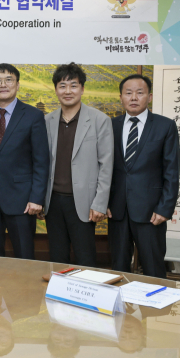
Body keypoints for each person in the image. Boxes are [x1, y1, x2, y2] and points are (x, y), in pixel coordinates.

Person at [107, 74, 180, 279]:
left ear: (149, 97)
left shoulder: (165, 126)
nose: (133, 98)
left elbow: (172, 170)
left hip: (151, 211)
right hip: (117, 210)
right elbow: (103, 167)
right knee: (118, 268)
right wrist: (104, 201)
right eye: (128, 93)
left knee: (153, 269)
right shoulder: (110, 125)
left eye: (140, 93)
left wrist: (165, 208)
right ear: (121, 97)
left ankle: (156, 302)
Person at [0, 63, 49, 259]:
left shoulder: (33, 115)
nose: (3, 84)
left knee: (24, 254)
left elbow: (41, 160)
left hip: (22, 200)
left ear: (17, 85)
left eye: (9, 80)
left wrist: (37, 198)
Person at [43, 63, 113, 267]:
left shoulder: (100, 120)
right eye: (62, 86)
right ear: (56, 89)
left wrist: (100, 203)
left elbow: (106, 165)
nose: (68, 91)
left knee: (85, 258)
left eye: (73, 85)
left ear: (82, 89)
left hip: (84, 201)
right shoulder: (47, 120)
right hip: (53, 201)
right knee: (57, 257)